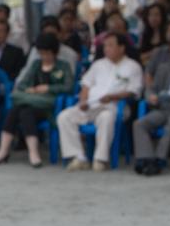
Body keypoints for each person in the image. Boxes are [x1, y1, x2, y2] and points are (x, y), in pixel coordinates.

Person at [58, 35, 143, 172]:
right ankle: (78, 157)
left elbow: (134, 91)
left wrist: (113, 96)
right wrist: (83, 101)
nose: (106, 49)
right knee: (64, 116)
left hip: (114, 106)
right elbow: (86, 85)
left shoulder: (133, 67)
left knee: (106, 117)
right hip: (91, 105)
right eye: (105, 46)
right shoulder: (98, 64)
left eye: (110, 45)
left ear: (121, 48)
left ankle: (100, 159)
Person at [0, 33, 73, 167]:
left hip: (47, 107)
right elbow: (22, 84)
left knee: (18, 106)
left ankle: (8, 152)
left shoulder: (63, 66)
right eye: (41, 53)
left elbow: (68, 87)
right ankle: (24, 153)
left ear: (54, 52)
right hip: (31, 102)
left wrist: (48, 88)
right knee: (22, 111)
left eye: (47, 53)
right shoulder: (36, 64)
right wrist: (33, 90)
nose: (44, 57)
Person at [133, 34, 170, 176]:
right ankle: (146, 158)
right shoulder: (165, 68)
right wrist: (151, 96)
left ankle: (159, 159)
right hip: (163, 107)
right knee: (139, 124)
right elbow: (151, 88)